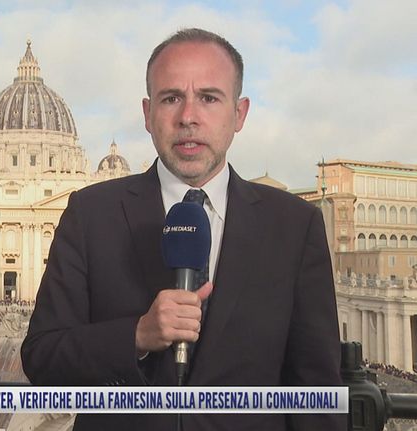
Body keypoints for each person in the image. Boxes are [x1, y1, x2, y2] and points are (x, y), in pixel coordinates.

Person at [21, 28, 344, 430]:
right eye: (171, 98)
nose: (188, 117)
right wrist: (136, 335)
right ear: (147, 113)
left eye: (209, 98)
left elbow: (317, 392)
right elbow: (42, 357)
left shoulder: (295, 225)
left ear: (239, 113)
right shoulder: (90, 214)